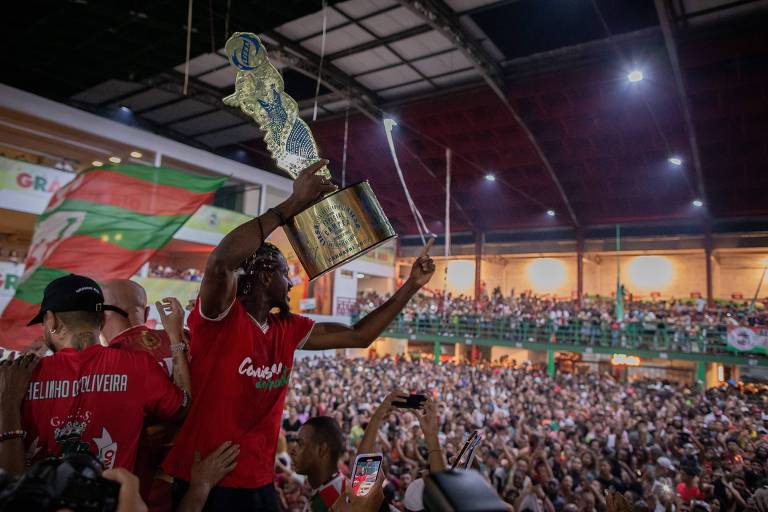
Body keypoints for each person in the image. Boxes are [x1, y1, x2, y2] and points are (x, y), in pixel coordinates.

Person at [162, 160, 435, 511]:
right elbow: (220, 263)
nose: (291, 282)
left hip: (258, 482)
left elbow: (359, 335)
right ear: (262, 276)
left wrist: (410, 286)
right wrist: (291, 205)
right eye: (284, 273)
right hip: (207, 479)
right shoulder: (219, 319)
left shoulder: (288, 330)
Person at [0, 274, 188, 475]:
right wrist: (176, 340)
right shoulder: (139, 366)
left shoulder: (15, 378)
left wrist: (7, 401)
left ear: (51, 320)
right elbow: (183, 409)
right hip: (114, 500)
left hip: (38, 498)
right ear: (102, 318)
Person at [290, 416, 347, 512]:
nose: (293, 450)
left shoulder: (336, 500)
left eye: (300, 444)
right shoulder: (333, 487)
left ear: (321, 450)